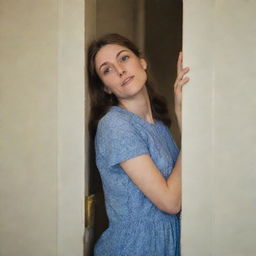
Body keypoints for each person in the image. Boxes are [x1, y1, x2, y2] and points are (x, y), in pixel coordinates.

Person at [87, 33, 190, 256]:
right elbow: (170, 202)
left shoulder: (159, 126)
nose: (120, 70)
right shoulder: (115, 125)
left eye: (123, 58)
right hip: (133, 248)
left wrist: (182, 114)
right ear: (106, 87)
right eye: (107, 69)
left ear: (142, 61)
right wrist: (188, 127)